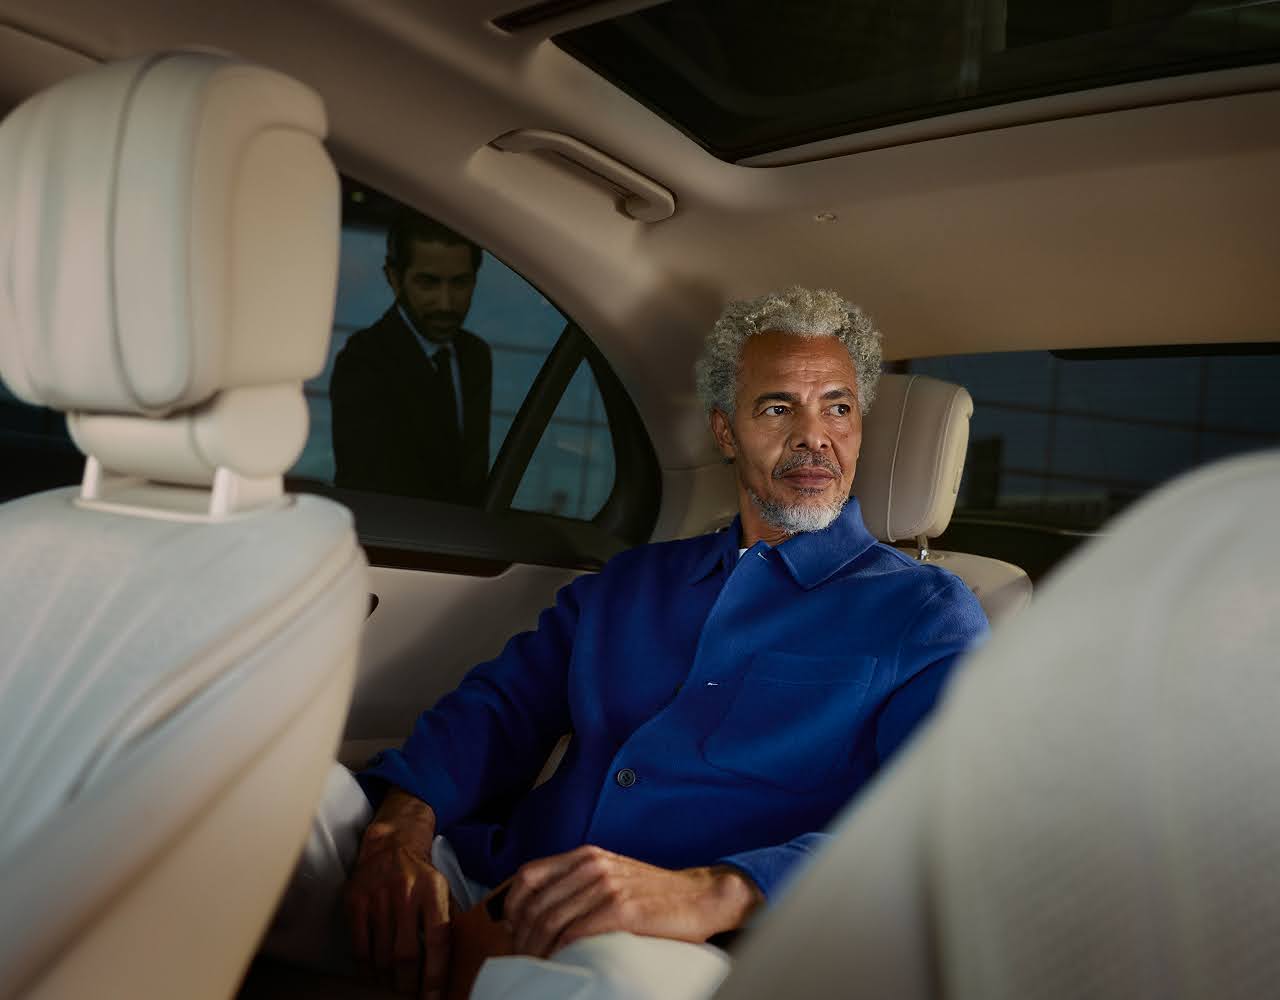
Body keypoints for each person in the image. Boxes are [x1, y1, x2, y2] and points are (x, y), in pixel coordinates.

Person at [266, 286, 989, 999]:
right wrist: (403, 829)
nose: (814, 435)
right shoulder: (632, 582)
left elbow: (931, 826)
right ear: (726, 431)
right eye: (778, 407)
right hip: (499, 878)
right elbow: (500, 710)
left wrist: (715, 892)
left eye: (838, 407)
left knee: (609, 985)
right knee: (277, 804)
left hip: (688, 944)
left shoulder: (925, 614)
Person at [330, 210, 492, 503]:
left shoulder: (476, 357)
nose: (445, 302)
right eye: (428, 283)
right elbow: (368, 488)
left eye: (460, 283)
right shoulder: (363, 362)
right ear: (394, 278)